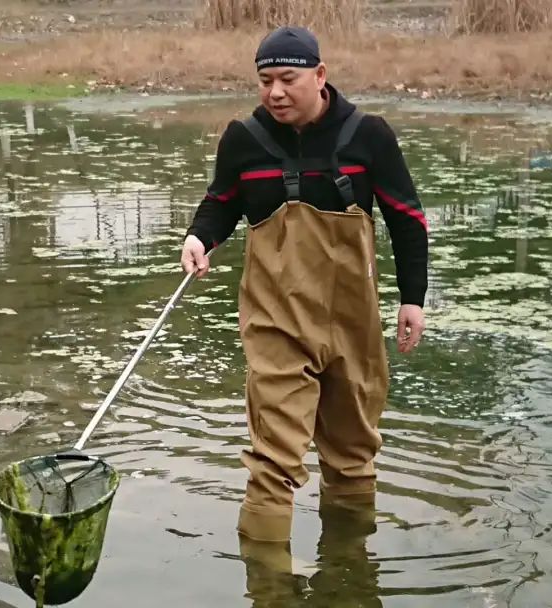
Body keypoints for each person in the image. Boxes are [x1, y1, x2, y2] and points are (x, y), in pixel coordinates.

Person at [180, 25, 429, 545]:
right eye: (265, 80)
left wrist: (412, 299)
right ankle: (268, 587)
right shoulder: (243, 139)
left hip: (353, 324)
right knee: (271, 461)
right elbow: (222, 201)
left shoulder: (369, 136)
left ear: (320, 76)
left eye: (287, 79)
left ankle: (351, 575)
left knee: (354, 458)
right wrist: (200, 237)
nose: (275, 93)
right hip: (276, 323)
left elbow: (407, 219)